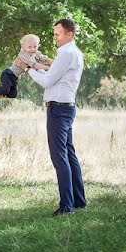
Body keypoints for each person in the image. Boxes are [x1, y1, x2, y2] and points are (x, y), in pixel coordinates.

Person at [28, 18, 86, 216]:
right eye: (54, 34)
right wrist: (38, 66)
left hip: (58, 110)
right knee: (69, 155)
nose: (54, 38)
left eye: (57, 34)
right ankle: (78, 201)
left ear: (69, 34)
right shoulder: (74, 53)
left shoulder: (67, 53)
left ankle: (67, 206)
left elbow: (48, 81)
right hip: (66, 107)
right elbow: (52, 75)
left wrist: (29, 69)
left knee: (59, 157)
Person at [0, 34, 53, 101]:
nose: (32, 49)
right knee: (5, 89)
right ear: (23, 47)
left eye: (35, 46)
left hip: (14, 77)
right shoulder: (24, 55)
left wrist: (52, 61)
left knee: (13, 94)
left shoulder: (35, 53)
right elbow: (35, 65)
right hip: (8, 74)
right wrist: (49, 68)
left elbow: (44, 58)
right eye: (29, 47)